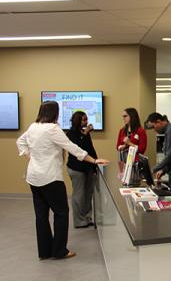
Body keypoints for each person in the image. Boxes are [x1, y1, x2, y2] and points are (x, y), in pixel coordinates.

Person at [16, 101, 109, 260]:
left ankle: (45, 252)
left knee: (41, 215)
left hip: (33, 177)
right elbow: (72, 147)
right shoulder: (52, 129)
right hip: (50, 178)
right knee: (61, 213)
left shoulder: (33, 127)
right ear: (55, 113)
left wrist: (30, 157)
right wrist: (94, 160)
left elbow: (20, 142)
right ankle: (59, 251)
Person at [66, 111, 97, 228]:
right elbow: (78, 149)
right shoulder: (70, 134)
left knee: (88, 194)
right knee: (79, 195)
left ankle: (87, 218)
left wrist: (95, 163)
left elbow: (90, 149)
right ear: (77, 121)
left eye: (87, 119)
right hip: (76, 169)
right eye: (84, 120)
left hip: (88, 168)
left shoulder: (84, 133)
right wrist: (85, 133)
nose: (86, 122)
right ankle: (79, 221)